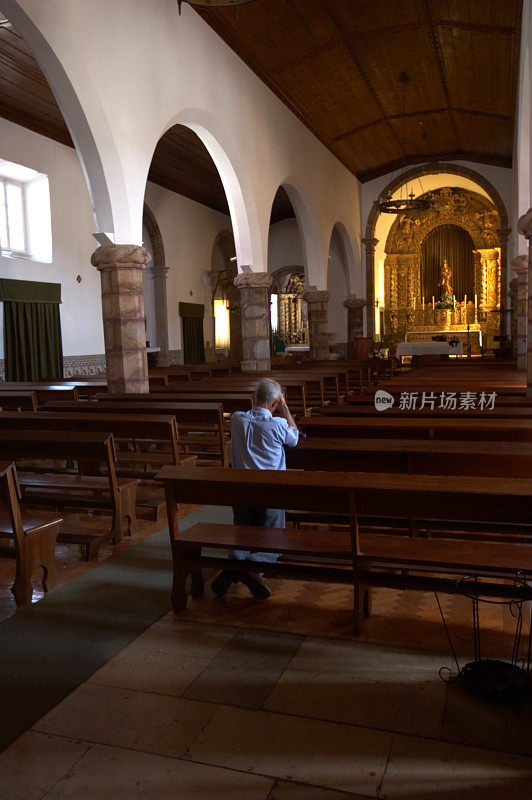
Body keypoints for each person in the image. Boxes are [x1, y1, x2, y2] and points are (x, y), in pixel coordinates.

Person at [210, 377, 299, 600]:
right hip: (270, 492)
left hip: (240, 490)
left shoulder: (237, 420)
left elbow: (250, 414)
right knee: (275, 538)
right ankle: (252, 567)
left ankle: (235, 567)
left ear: (254, 398)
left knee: (242, 532)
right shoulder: (278, 425)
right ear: (276, 403)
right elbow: (294, 438)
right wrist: (286, 408)